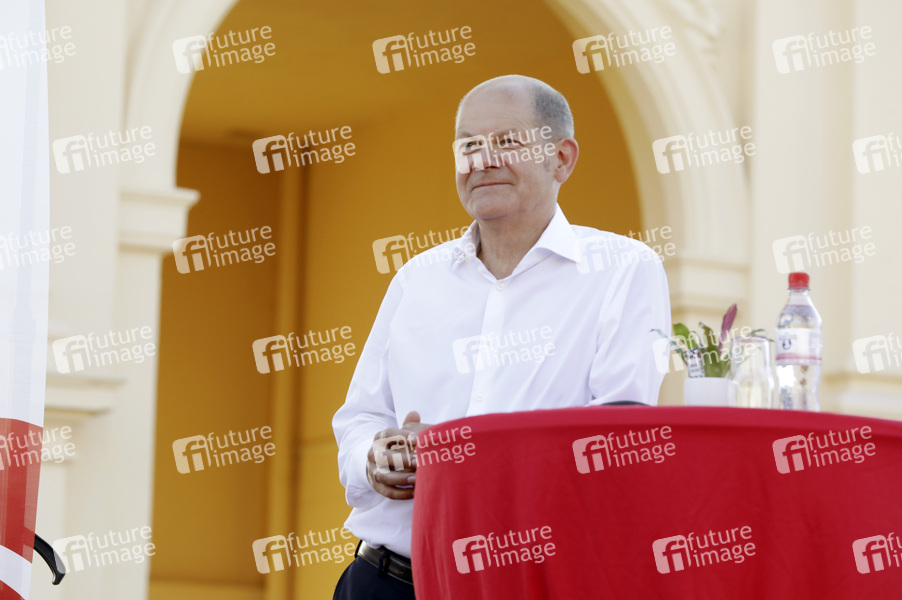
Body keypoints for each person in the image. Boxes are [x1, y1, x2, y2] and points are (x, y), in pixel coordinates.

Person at [331, 74, 671, 599]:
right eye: (467, 145)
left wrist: (458, 457)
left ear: (562, 159)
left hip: (532, 581)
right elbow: (360, 418)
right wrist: (375, 459)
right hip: (387, 580)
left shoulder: (623, 269)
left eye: (507, 142)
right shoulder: (417, 278)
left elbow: (615, 439)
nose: (481, 161)